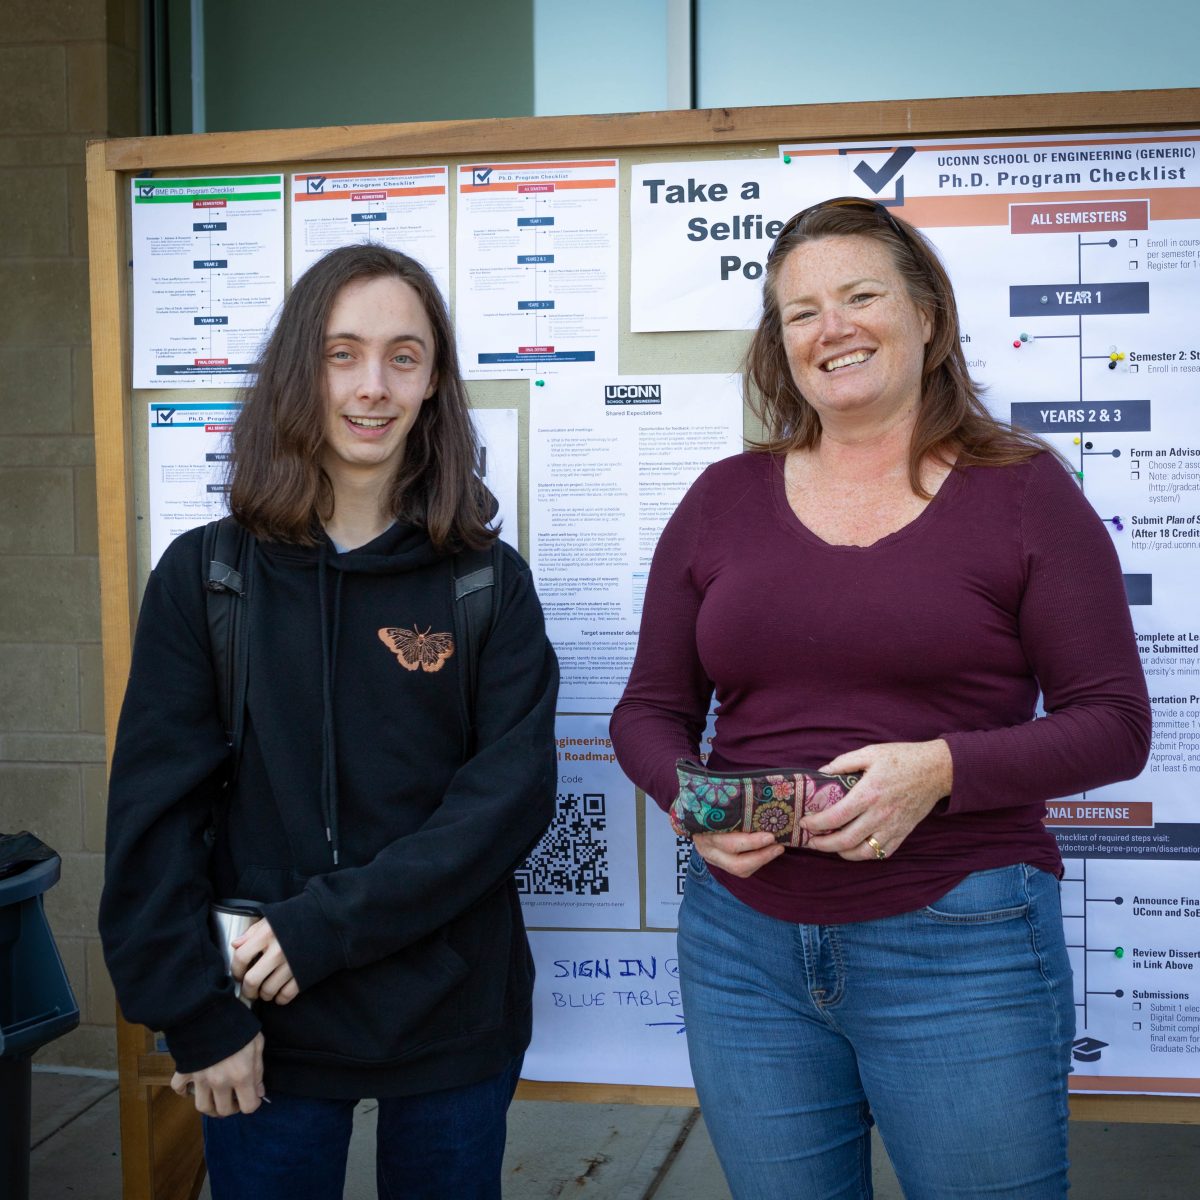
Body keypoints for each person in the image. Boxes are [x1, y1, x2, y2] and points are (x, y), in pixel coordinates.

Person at [610, 197, 1150, 1199]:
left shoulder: (1025, 493)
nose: (833, 328)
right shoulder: (723, 497)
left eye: (860, 296)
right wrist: (692, 804)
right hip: (741, 944)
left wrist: (941, 771)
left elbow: (1115, 727)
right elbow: (647, 712)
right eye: (802, 311)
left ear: (929, 318)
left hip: (962, 933)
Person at [99, 244, 559, 1200]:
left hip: (449, 1021)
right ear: (299, 370)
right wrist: (198, 1016)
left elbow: (503, 808)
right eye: (342, 353)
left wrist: (322, 928)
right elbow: (153, 825)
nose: (372, 387)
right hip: (263, 1025)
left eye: (404, 355)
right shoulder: (207, 577)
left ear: (434, 383)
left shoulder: (485, 582)